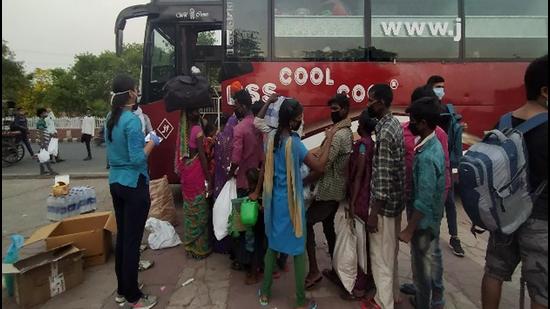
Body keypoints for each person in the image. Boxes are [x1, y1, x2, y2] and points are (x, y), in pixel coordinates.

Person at [252, 98, 337, 309]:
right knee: (298, 250)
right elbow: (319, 166)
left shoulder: (271, 138)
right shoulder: (295, 144)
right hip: (292, 204)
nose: (302, 120)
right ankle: (300, 301)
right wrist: (329, 140)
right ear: (292, 121)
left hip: (274, 202)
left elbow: (265, 167)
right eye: (300, 117)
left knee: (272, 247)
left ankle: (265, 293)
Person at [482, 55, 548, 309]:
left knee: (493, 273)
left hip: (504, 216)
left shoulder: (504, 122)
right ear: (544, 91)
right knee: (540, 292)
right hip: (540, 220)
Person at [106, 74, 160, 309]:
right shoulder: (131, 121)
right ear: (129, 93)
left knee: (123, 241)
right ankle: (134, 297)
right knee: (131, 243)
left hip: (116, 183)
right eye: (136, 89)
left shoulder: (110, 117)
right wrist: (153, 141)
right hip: (134, 184)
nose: (138, 92)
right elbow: (138, 158)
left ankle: (121, 291)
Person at [399, 85, 451, 308]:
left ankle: (424, 301)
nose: (410, 123)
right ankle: (429, 294)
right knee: (427, 257)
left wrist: (409, 228)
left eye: (413, 119)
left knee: (423, 265)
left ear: (422, 123)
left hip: (423, 220)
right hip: (428, 217)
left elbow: (424, 198)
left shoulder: (429, 155)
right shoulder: (429, 143)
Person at [304, 93, 353, 290]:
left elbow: (321, 167)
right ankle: (336, 270)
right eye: (331, 110)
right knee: (328, 228)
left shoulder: (339, 135)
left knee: (307, 223)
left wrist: (302, 181)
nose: (332, 113)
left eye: (336, 110)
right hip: (335, 189)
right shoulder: (342, 132)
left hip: (329, 191)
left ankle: (314, 270)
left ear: (345, 109)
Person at [363, 84, 405, 309]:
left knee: (381, 257)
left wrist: (373, 213)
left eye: (370, 100)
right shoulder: (391, 124)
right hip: (395, 204)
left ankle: (383, 302)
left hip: (384, 208)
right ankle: (394, 295)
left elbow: (383, 175)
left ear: (380, 102)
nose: (367, 104)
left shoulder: (386, 131)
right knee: (391, 254)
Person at [426, 75, 465, 257]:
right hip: (431, 163)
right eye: (438, 87)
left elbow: (454, 144)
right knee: (435, 204)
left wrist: (455, 169)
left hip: (448, 163)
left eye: (442, 87)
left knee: (449, 201)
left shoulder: (449, 112)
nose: (441, 90)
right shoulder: (426, 111)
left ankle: (454, 237)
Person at [343, 109, 377, 301]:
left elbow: (358, 175)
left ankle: (361, 286)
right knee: (366, 244)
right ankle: (368, 280)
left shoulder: (363, 145)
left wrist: (353, 201)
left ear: (361, 125)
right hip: (368, 198)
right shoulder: (371, 143)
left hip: (362, 200)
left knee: (361, 245)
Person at [228, 89, 264, 270]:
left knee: (242, 225)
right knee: (257, 224)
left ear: (242, 106)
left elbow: (235, 158)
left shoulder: (239, 129)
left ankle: (245, 262)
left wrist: (230, 172)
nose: (234, 109)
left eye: (235, 105)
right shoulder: (258, 126)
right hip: (257, 180)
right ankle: (259, 260)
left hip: (243, 180)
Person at [176, 108, 213, 260]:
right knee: (200, 208)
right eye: (195, 110)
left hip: (187, 172)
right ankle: (200, 248)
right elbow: (203, 157)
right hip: (197, 172)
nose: (197, 111)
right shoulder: (197, 130)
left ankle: (190, 246)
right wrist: (209, 179)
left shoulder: (185, 130)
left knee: (190, 208)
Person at [35, 108, 57, 176]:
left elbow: (44, 131)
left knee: (43, 156)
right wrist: (43, 143)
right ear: (41, 114)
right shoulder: (41, 122)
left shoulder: (42, 121)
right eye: (45, 113)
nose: (46, 114)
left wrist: (50, 135)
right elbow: (41, 132)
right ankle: (51, 171)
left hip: (43, 141)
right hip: (44, 141)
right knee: (46, 156)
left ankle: (42, 171)